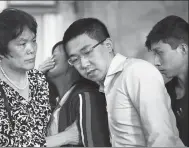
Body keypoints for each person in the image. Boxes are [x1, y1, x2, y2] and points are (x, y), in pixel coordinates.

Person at [62, 17, 184, 147]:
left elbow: (162, 138)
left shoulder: (136, 72)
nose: (84, 64)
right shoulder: (107, 84)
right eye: (75, 59)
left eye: (87, 52)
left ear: (108, 45)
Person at [0, 8, 52, 147]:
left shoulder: (38, 78)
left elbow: (43, 131)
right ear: (1, 51)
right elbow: (7, 144)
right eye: (22, 44)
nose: (31, 49)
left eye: (33, 41)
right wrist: (66, 137)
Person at [38, 41, 111, 147]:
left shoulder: (86, 97)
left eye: (54, 56)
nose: (48, 61)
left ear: (71, 61)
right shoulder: (54, 103)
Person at [145, 15, 188, 146]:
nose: (156, 62)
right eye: (154, 54)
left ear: (183, 49)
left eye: (160, 53)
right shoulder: (164, 91)